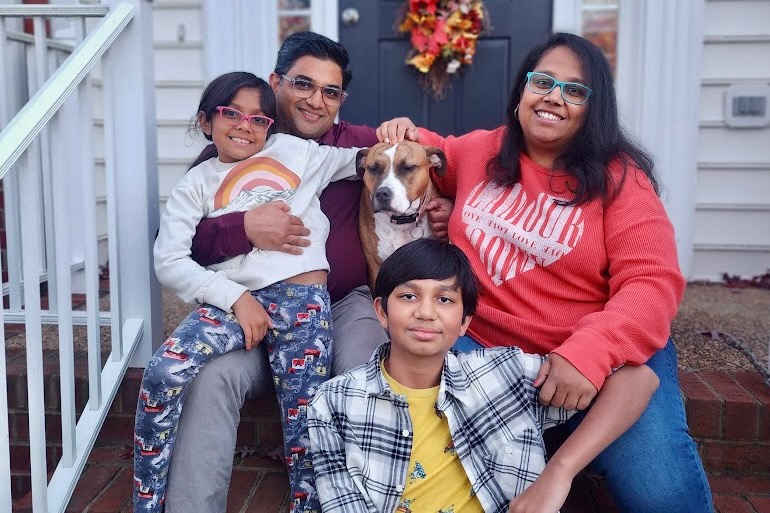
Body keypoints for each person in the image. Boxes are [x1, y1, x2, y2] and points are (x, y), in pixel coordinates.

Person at [376, 33, 713, 512]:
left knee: (661, 496)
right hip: (484, 346)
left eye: (575, 90)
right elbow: (420, 156)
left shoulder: (621, 180)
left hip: (603, 356)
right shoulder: (480, 152)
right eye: (543, 81)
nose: (554, 96)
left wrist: (590, 352)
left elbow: (652, 284)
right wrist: (403, 132)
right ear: (521, 94)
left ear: (592, 109)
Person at [163, 32, 451, 512]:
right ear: (276, 82)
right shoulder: (235, 145)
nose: (316, 101)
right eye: (302, 83)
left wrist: (444, 207)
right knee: (209, 378)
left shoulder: (364, 148)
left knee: (370, 368)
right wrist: (244, 227)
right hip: (254, 313)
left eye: (331, 91)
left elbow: (425, 170)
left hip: (346, 303)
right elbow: (178, 246)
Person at [133, 71, 365, 513]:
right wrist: (235, 298)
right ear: (206, 121)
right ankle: (149, 503)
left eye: (259, 119)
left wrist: (404, 143)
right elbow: (169, 259)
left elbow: (360, 159)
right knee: (163, 372)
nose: (244, 125)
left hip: (302, 309)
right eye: (231, 113)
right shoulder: (196, 183)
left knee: (306, 424)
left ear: (270, 126)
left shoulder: (298, 153)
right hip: (238, 303)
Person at [308, 238, 659, 513]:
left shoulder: (505, 375)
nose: (426, 312)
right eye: (409, 296)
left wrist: (560, 472)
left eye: (445, 300)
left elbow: (638, 379)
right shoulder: (334, 404)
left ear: (465, 322)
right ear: (381, 311)